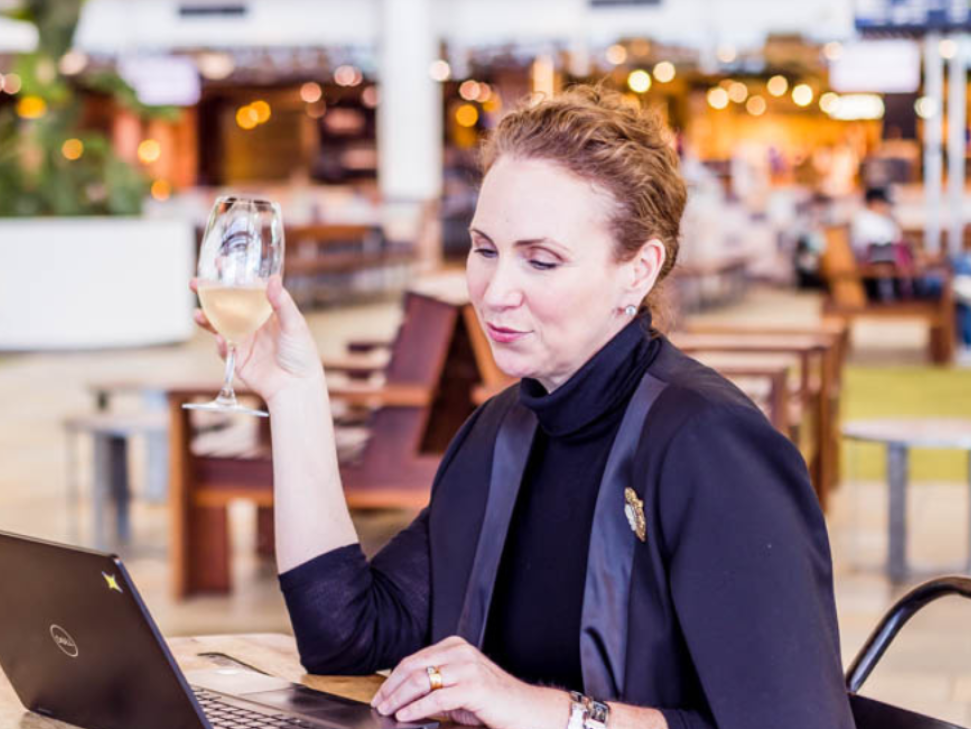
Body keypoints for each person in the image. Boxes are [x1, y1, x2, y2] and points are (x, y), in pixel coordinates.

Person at [193, 84, 855, 729]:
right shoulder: (502, 427)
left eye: (541, 260)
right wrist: (295, 394)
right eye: (484, 249)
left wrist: (551, 711)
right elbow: (348, 636)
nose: (495, 290)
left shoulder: (711, 447)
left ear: (639, 269)